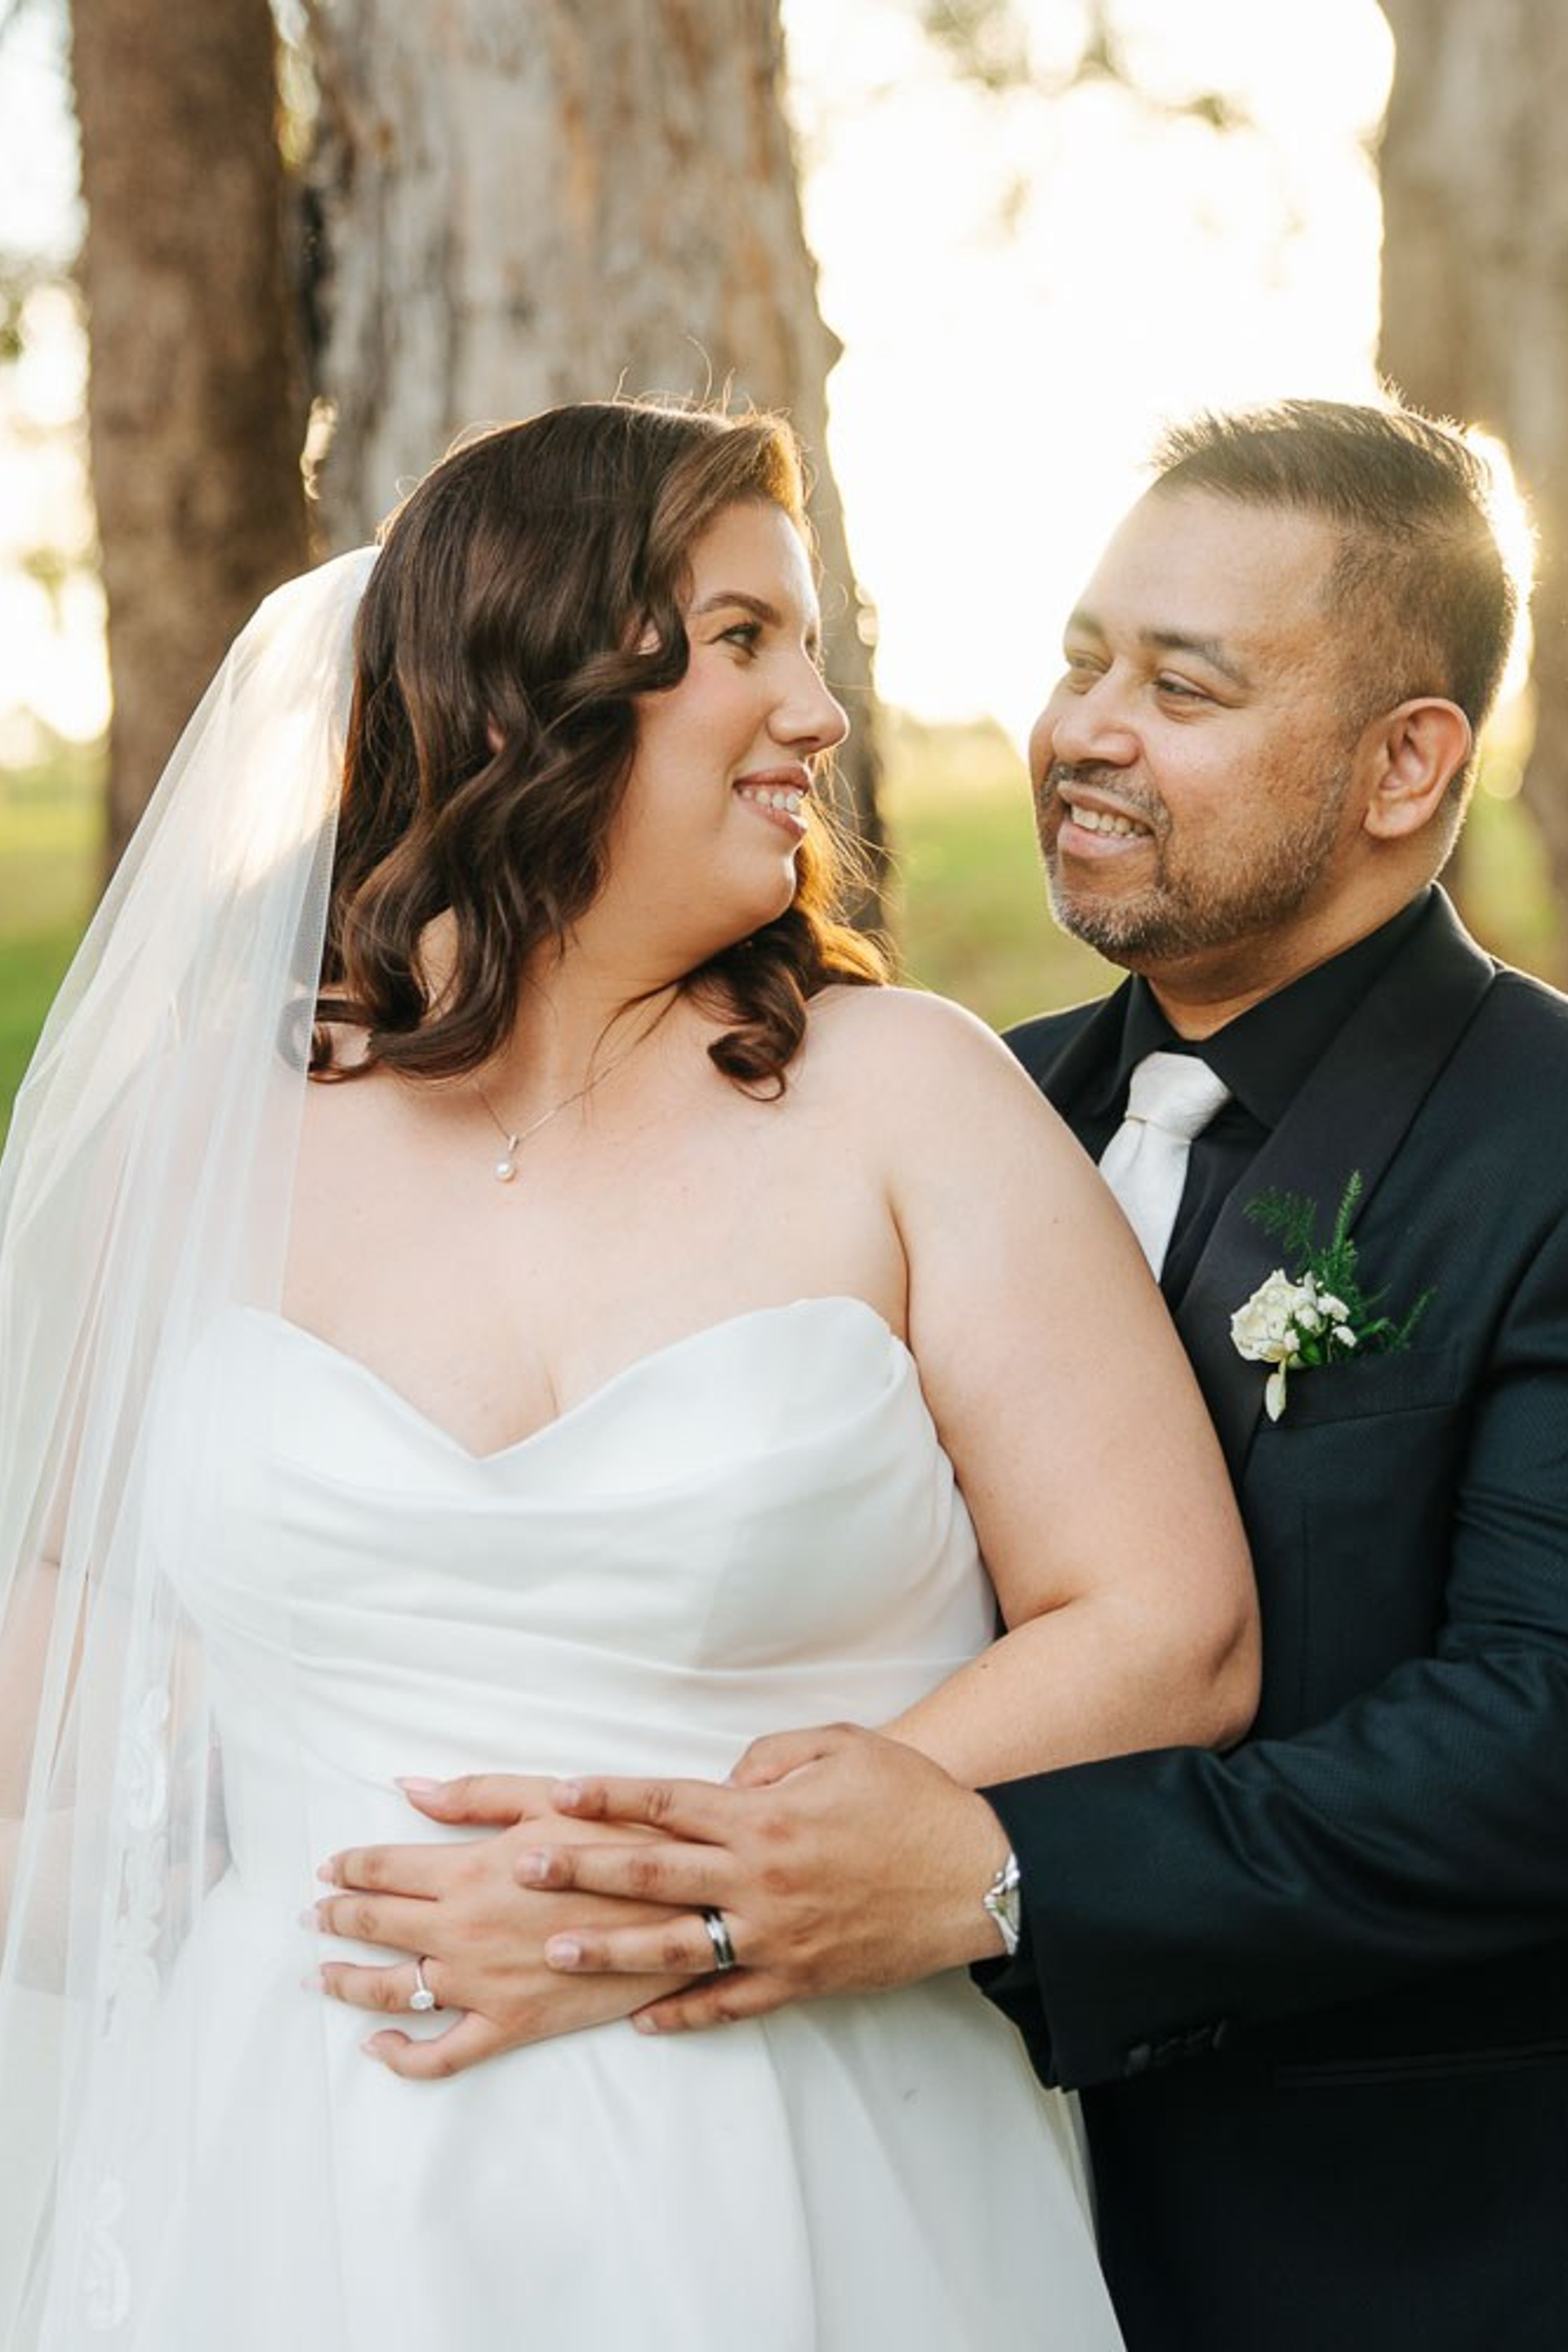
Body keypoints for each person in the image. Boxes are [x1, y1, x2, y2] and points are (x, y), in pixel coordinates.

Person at [0, 399, 1256, 2350]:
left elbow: (1171, 1630)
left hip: (807, 2140)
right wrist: (202, 1826)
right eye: (747, 639)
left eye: (813, 648)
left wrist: (677, 1902)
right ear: (520, 694)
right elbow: (56, 1634)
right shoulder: (207, 1129)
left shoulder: (908, 1094)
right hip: (291, 2160)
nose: (821, 717)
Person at [374, 398, 1568, 2352]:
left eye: (1183, 686)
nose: (1086, 730)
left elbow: (1535, 1739)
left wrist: (1005, 1878)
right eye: (1082, 662)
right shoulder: (952, 1106)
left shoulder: (1546, 1140)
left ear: (1406, 763)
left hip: (1367, 2251)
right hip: (870, 2190)